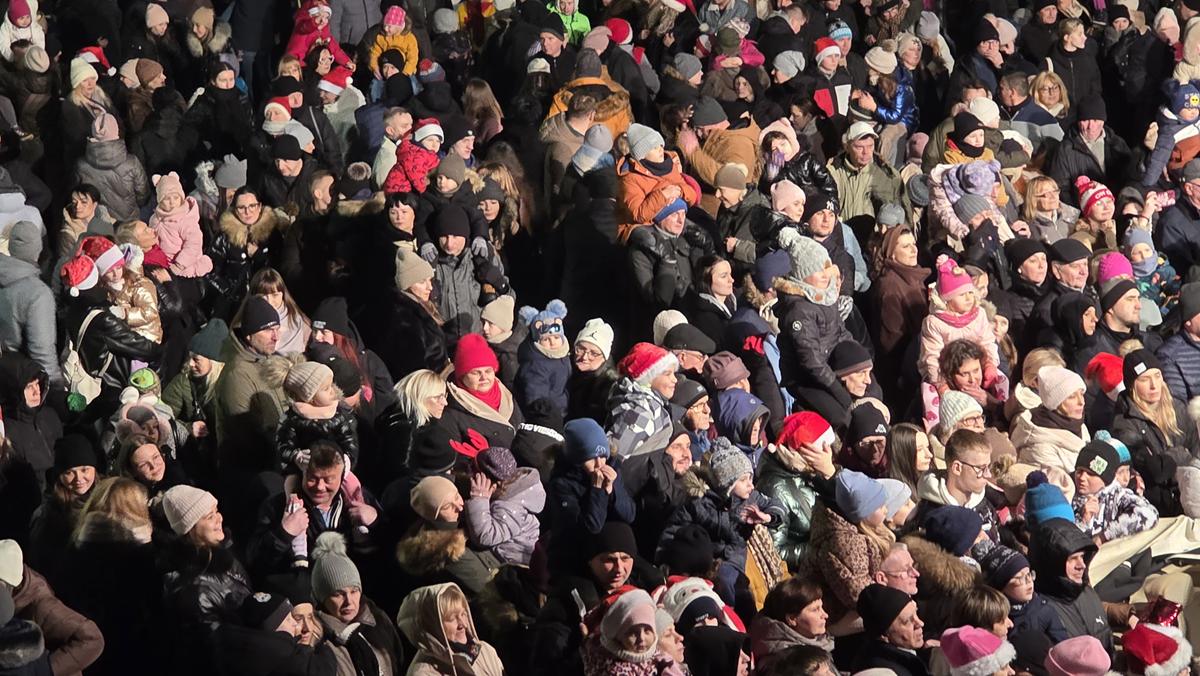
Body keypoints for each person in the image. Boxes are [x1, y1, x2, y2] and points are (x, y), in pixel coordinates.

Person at [396, 583, 504, 676]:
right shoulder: (424, 673)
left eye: (463, 614)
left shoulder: (485, 650)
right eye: (452, 619)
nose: (462, 624)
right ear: (432, 627)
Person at [853, 583, 928, 676]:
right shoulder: (879, 672)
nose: (920, 623)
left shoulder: (903, 657)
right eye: (907, 621)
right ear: (883, 635)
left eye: (916, 613)